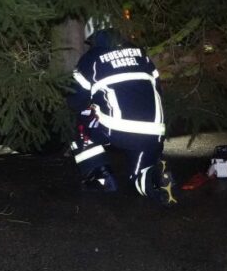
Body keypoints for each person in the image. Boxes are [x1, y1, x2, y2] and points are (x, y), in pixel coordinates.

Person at [66, 25, 177, 204]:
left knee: (82, 119)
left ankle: (101, 177)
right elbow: (157, 88)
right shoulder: (141, 54)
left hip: (118, 130)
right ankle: (154, 176)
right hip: (154, 131)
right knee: (140, 176)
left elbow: (75, 100)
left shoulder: (91, 59)